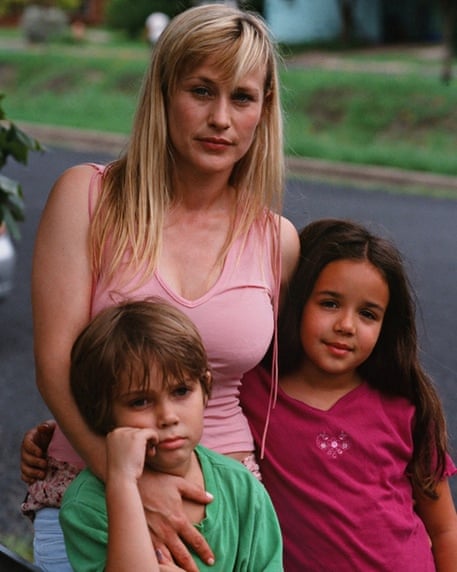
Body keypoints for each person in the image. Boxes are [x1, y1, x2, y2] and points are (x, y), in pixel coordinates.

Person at [19, 4, 299, 571]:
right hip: (93, 491)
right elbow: (56, 364)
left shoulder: (277, 240)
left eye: (242, 98)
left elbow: (289, 390)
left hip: (224, 504)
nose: (221, 117)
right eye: (201, 90)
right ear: (164, 92)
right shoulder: (88, 199)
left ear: (263, 110)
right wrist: (127, 481)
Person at [240, 218, 457, 571]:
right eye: (329, 303)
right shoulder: (252, 390)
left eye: (368, 314)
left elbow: (445, 528)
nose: (346, 325)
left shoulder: (404, 405)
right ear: (296, 300)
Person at [59, 298, 283, 571]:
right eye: (140, 401)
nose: (167, 416)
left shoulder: (242, 489)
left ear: (205, 388)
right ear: (101, 412)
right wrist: (123, 483)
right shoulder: (88, 504)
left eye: (180, 392)